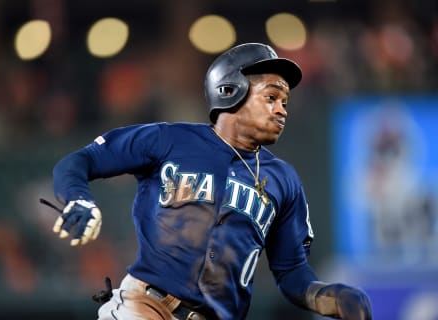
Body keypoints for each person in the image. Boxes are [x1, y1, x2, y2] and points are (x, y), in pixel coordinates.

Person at [49, 43, 372, 320]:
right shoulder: (169, 140)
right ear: (230, 90)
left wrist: (324, 295)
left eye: (285, 102)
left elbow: (291, 273)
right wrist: (79, 198)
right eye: (271, 97)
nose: (281, 110)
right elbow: (81, 160)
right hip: (147, 305)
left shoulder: (283, 180)